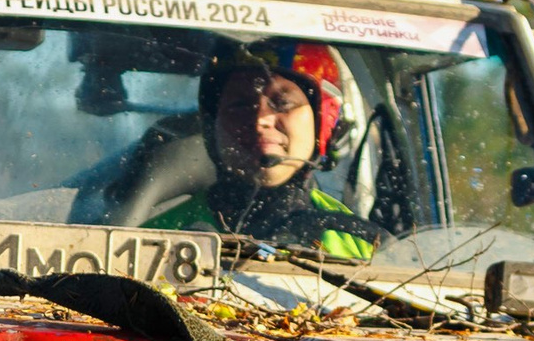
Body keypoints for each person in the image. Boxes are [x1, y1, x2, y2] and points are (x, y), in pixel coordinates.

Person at [145, 40, 376, 260]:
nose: (260, 120)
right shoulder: (152, 242)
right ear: (212, 127)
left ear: (323, 122)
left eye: (282, 103)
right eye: (240, 105)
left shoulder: (363, 243)